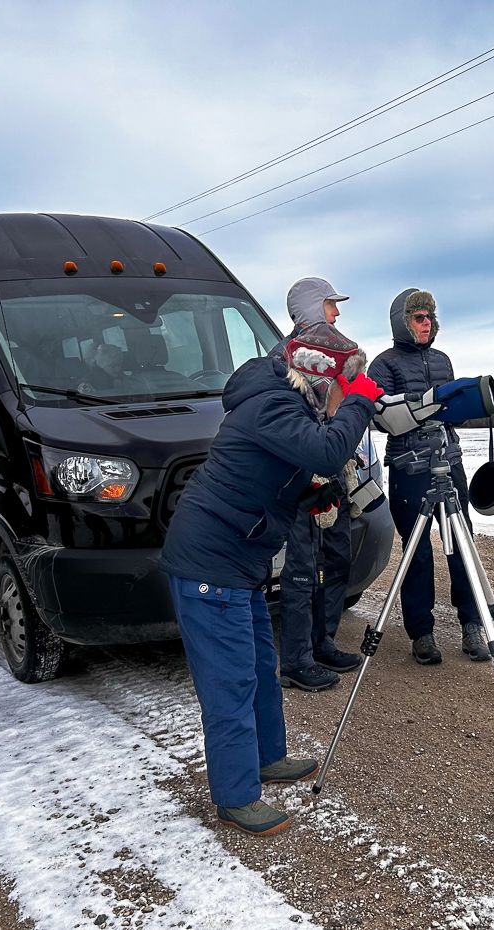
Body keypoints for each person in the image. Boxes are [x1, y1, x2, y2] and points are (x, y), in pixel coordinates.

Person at [159, 324, 381, 836]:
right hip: (210, 565)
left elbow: (279, 473)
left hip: (239, 563)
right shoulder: (272, 405)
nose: (343, 394)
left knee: (259, 664)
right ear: (319, 376)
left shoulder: (283, 405)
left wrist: (311, 495)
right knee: (230, 681)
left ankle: (266, 757)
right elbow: (326, 451)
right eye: (343, 384)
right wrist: (362, 403)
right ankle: (236, 796)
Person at [367, 289, 490, 665]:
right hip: (408, 467)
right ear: (402, 323)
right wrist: (429, 404)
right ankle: (421, 632)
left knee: (462, 546)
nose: (426, 324)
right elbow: (380, 417)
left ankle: (473, 625)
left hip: (448, 461)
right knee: (416, 553)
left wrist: (466, 403)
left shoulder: (442, 359)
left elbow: (453, 414)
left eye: (430, 317)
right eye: (418, 317)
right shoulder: (383, 364)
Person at [270, 278, 364, 691]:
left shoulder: (336, 357)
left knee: (337, 558)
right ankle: (295, 661)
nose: (337, 313)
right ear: (311, 307)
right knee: (302, 570)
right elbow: (290, 424)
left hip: (335, 473)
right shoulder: (284, 361)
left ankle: (322, 641)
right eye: (330, 305)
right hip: (301, 477)